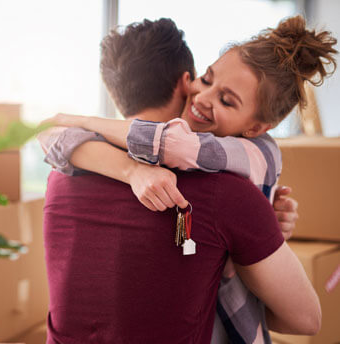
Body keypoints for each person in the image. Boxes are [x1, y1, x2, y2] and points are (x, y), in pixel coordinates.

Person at [41, 16, 335, 343]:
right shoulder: (227, 194)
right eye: (206, 80)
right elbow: (306, 319)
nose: (203, 97)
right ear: (187, 81)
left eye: (226, 100)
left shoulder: (61, 173)